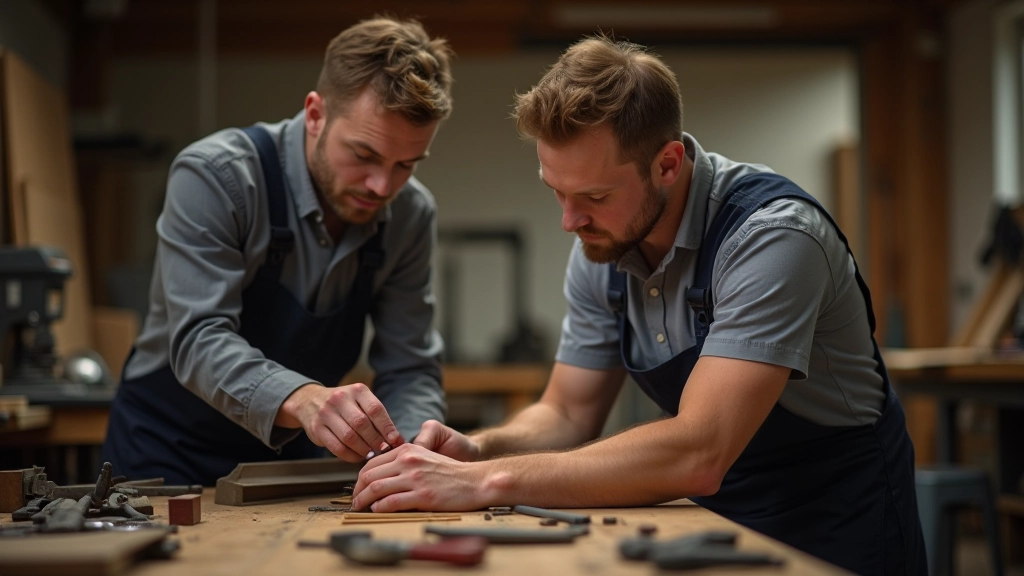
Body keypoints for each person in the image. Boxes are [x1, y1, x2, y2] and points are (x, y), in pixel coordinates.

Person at [351, 36, 926, 575]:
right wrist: (478, 449)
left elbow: (700, 450)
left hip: (836, 521)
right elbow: (568, 414)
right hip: (717, 518)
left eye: (594, 197)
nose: (569, 221)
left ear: (668, 165)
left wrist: (484, 483)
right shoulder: (604, 247)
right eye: (557, 191)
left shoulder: (772, 239)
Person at [101, 16, 453, 486]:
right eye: (365, 155)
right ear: (315, 114)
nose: (382, 185)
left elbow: (410, 365)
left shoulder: (411, 215)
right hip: (166, 454)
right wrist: (305, 400)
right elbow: (199, 337)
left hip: (283, 463)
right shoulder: (216, 177)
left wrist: (413, 447)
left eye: (406, 165)